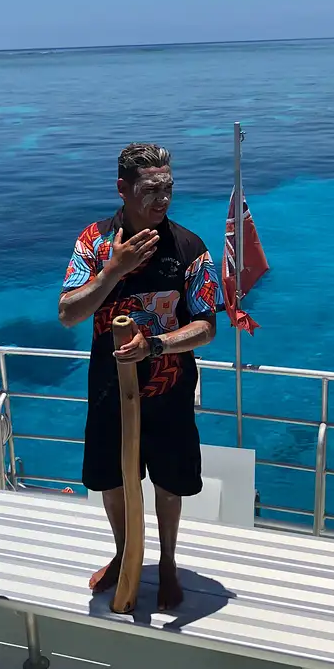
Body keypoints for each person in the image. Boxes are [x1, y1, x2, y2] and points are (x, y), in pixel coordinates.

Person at [58, 142, 224, 610]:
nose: (163, 199)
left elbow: (207, 326)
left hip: (169, 389)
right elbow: (69, 312)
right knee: (112, 479)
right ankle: (123, 554)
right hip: (110, 387)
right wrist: (114, 270)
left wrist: (157, 345)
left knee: (170, 483)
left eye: (168, 189)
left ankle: (167, 562)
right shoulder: (94, 242)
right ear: (123, 189)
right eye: (151, 190)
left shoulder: (188, 247)